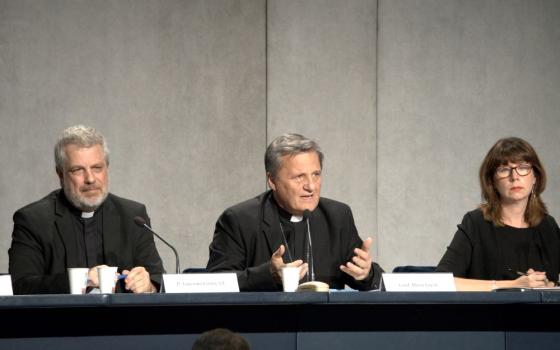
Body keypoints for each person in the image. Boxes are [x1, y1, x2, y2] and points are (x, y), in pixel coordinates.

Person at [206, 133, 383, 291]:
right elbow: (215, 284)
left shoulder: (337, 216)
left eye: (316, 174)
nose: (311, 186)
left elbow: (366, 276)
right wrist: (268, 274)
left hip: (325, 322)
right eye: (299, 177)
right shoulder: (240, 220)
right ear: (272, 180)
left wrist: (366, 274)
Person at [8, 125, 164, 294]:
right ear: (60, 174)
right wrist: (82, 281)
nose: (90, 179)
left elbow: (157, 279)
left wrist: (149, 286)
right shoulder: (33, 220)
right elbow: (20, 285)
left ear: (107, 168)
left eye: (97, 168)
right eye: (78, 170)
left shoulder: (133, 216)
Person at [436, 137, 559, 291]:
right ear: (492, 181)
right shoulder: (475, 223)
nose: (514, 177)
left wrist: (548, 285)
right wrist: (513, 285)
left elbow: (554, 281)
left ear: (535, 177)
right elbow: (441, 283)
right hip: (487, 314)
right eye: (504, 170)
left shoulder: (548, 226)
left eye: (523, 167)